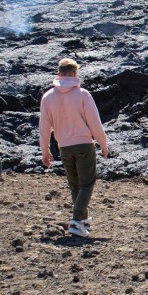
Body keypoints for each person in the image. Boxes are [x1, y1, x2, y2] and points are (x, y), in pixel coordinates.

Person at [38, 58, 108, 238]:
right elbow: (95, 123)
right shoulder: (83, 94)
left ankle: (82, 223)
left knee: (75, 185)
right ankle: (77, 220)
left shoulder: (48, 97)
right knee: (87, 183)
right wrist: (103, 143)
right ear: (75, 74)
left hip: (64, 147)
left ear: (58, 73)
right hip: (84, 144)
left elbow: (44, 128)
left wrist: (45, 151)